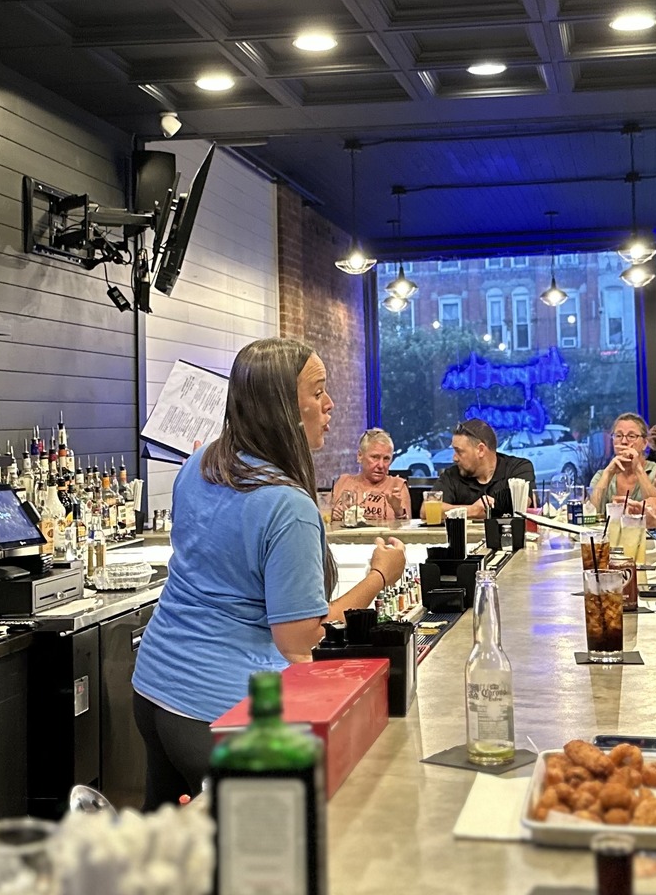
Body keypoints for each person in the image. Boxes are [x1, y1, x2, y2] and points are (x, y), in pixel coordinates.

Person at [133, 337, 404, 809]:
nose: (330, 404)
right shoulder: (287, 505)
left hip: (155, 690)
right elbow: (299, 639)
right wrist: (380, 576)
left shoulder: (198, 464)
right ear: (282, 405)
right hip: (220, 709)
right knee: (256, 860)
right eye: (318, 391)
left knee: (173, 859)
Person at [437, 418, 536, 519]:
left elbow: (522, 504)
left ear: (480, 450)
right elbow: (428, 510)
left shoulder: (518, 468)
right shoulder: (452, 475)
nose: (454, 458)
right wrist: (472, 510)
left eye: (459, 451)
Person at [585, 411, 656, 518]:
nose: (624, 441)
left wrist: (638, 470)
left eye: (631, 436)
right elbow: (589, 513)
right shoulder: (601, 475)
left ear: (644, 443)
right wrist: (608, 474)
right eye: (619, 435)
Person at [327, 428, 412, 524]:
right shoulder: (343, 482)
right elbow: (323, 517)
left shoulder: (397, 486)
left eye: (386, 459)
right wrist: (332, 515)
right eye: (375, 457)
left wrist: (399, 511)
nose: (381, 465)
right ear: (360, 456)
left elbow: (407, 531)